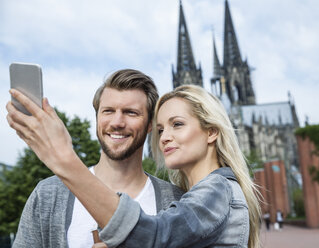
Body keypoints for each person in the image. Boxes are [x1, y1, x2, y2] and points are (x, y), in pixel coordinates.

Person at [7, 84, 261, 247]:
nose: (165, 137)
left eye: (178, 124)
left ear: (211, 132)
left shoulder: (211, 191)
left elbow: (153, 234)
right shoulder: (48, 193)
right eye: (162, 129)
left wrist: (63, 159)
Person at [8, 69, 184, 247]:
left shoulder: (177, 201)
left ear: (149, 125)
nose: (116, 122)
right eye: (108, 111)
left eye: (131, 112)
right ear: (97, 118)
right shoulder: (48, 194)